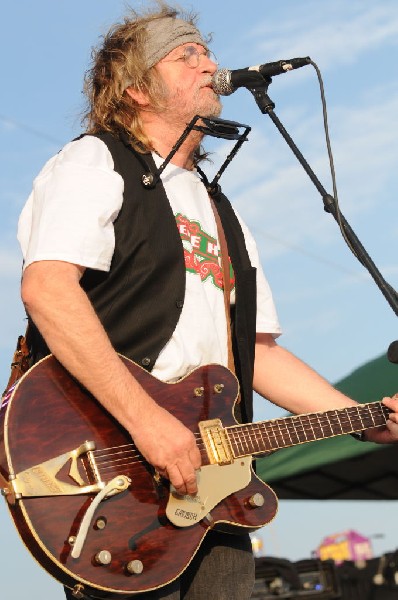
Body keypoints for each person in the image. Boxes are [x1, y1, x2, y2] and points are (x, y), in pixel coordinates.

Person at [16, 3, 398, 600]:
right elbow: (47, 289)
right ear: (137, 88)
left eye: (206, 51)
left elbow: (255, 352)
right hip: (119, 473)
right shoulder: (95, 161)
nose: (209, 63)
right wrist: (147, 423)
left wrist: (365, 419)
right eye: (184, 53)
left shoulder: (220, 209)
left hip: (215, 483)